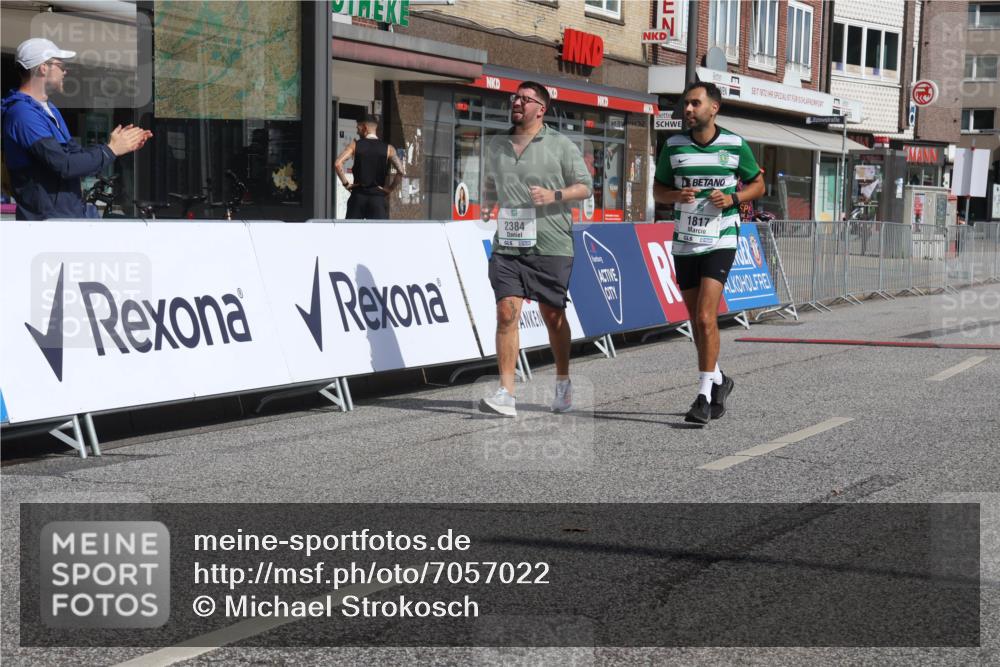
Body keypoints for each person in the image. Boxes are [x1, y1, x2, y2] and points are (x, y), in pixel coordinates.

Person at [478, 81, 593, 417]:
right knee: (506, 312)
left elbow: (585, 186)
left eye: (525, 99)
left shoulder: (560, 145)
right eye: (515, 97)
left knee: (552, 316)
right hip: (509, 244)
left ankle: (562, 382)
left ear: (541, 109)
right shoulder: (498, 144)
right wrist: (487, 204)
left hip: (551, 243)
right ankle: (505, 393)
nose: (517, 102)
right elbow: (490, 181)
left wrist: (555, 195)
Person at [653, 81, 765, 425]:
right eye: (685, 104)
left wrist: (732, 199)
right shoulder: (673, 146)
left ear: (713, 108)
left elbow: (758, 184)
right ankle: (719, 380)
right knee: (695, 323)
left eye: (694, 103)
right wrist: (676, 197)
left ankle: (702, 396)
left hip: (721, 238)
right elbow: (659, 189)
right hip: (686, 240)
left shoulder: (734, 144)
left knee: (705, 317)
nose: (687, 109)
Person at [2, 38, 152, 220]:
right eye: (60, 65)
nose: (65, 71)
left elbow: (75, 156)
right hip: (47, 225)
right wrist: (110, 150)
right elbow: (64, 165)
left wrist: (119, 146)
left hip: (67, 217)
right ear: (43, 68)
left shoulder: (48, 109)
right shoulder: (22, 114)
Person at [334, 114, 405, 220]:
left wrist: (346, 184)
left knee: (350, 234)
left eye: (358, 128)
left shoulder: (355, 145)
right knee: (378, 235)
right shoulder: (388, 148)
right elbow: (401, 171)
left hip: (358, 197)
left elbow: (337, 164)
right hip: (377, 199)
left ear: (364, 128)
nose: (357, 131)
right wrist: (390, 189)